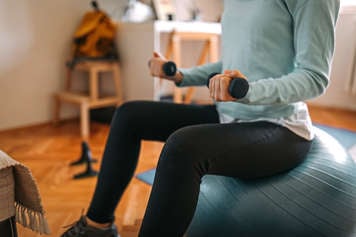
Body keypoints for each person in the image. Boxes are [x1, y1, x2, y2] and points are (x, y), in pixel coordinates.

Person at [61, 0, 340, 236]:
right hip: (228, 114)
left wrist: (248, 91)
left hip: (280, 126)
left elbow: (314, 77)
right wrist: (181, 75)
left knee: (183, 146)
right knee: (129, 115)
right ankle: (97, 226)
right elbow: (231, 61)